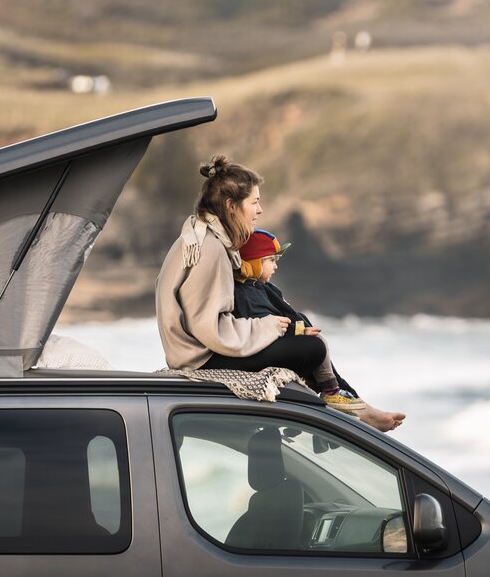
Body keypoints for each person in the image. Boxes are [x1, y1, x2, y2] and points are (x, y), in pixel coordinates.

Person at [155, 155, 403, 431]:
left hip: (196, 349)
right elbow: (208, 326)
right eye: (254, 202)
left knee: (303, 338)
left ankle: (353, 408)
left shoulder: (203, 238)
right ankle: (348, 412)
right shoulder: (210, 249)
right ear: (231, 206)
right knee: (312, 348)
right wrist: (267, 327)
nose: (259, 210)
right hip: (198, 358)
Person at [234, 228, 405, 431]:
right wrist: (298, 332)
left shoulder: (262, 287)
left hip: (273, 343)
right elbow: (264, 324)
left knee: (321, 352)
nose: (276, 266)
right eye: (271, 260)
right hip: (258, 349)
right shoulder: (246, 294)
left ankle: (350, 401)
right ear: (253, 262)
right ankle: (336, 397)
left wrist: (300, 326)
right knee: (316, 346)